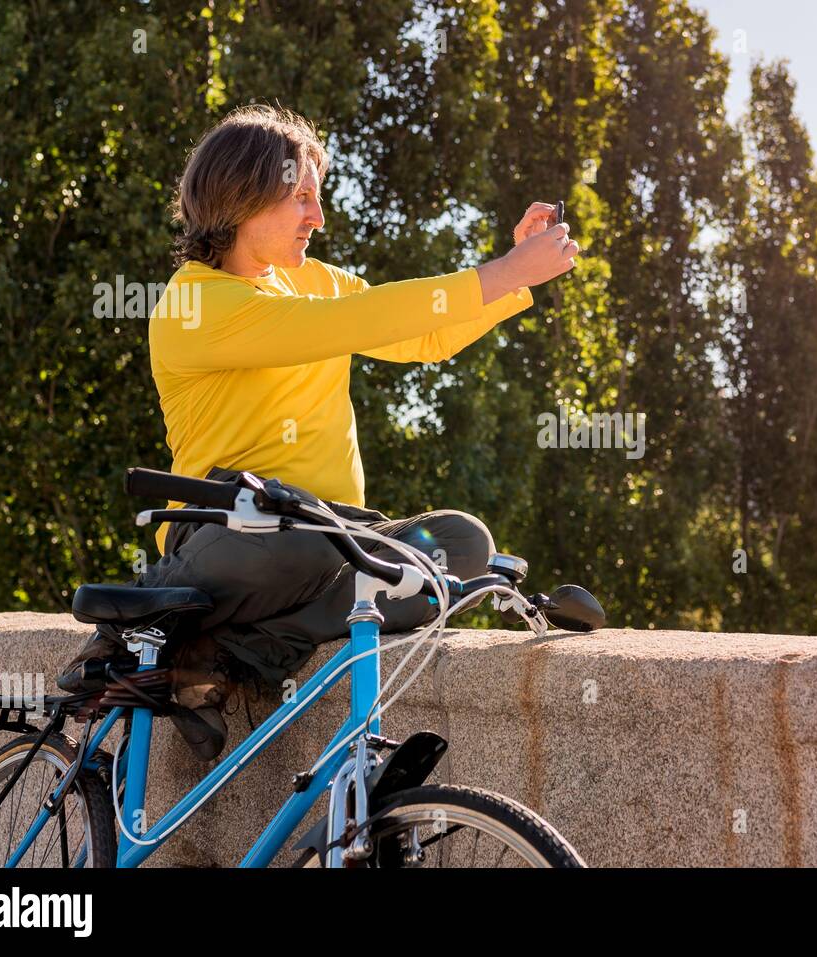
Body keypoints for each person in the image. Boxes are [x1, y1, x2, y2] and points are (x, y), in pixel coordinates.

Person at [56, 104, 579, 759]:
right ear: (243, 195)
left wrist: (510, 270)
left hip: (326, 533)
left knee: (458, 547)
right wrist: (507, 272)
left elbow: (422, 333)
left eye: (318, 197)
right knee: (302, 534)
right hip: (229, 537)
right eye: (301, 196)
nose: (318, 216)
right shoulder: (193, 305)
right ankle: (159, 630)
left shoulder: (310, 282)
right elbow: (361, 319)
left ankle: (219, 656)